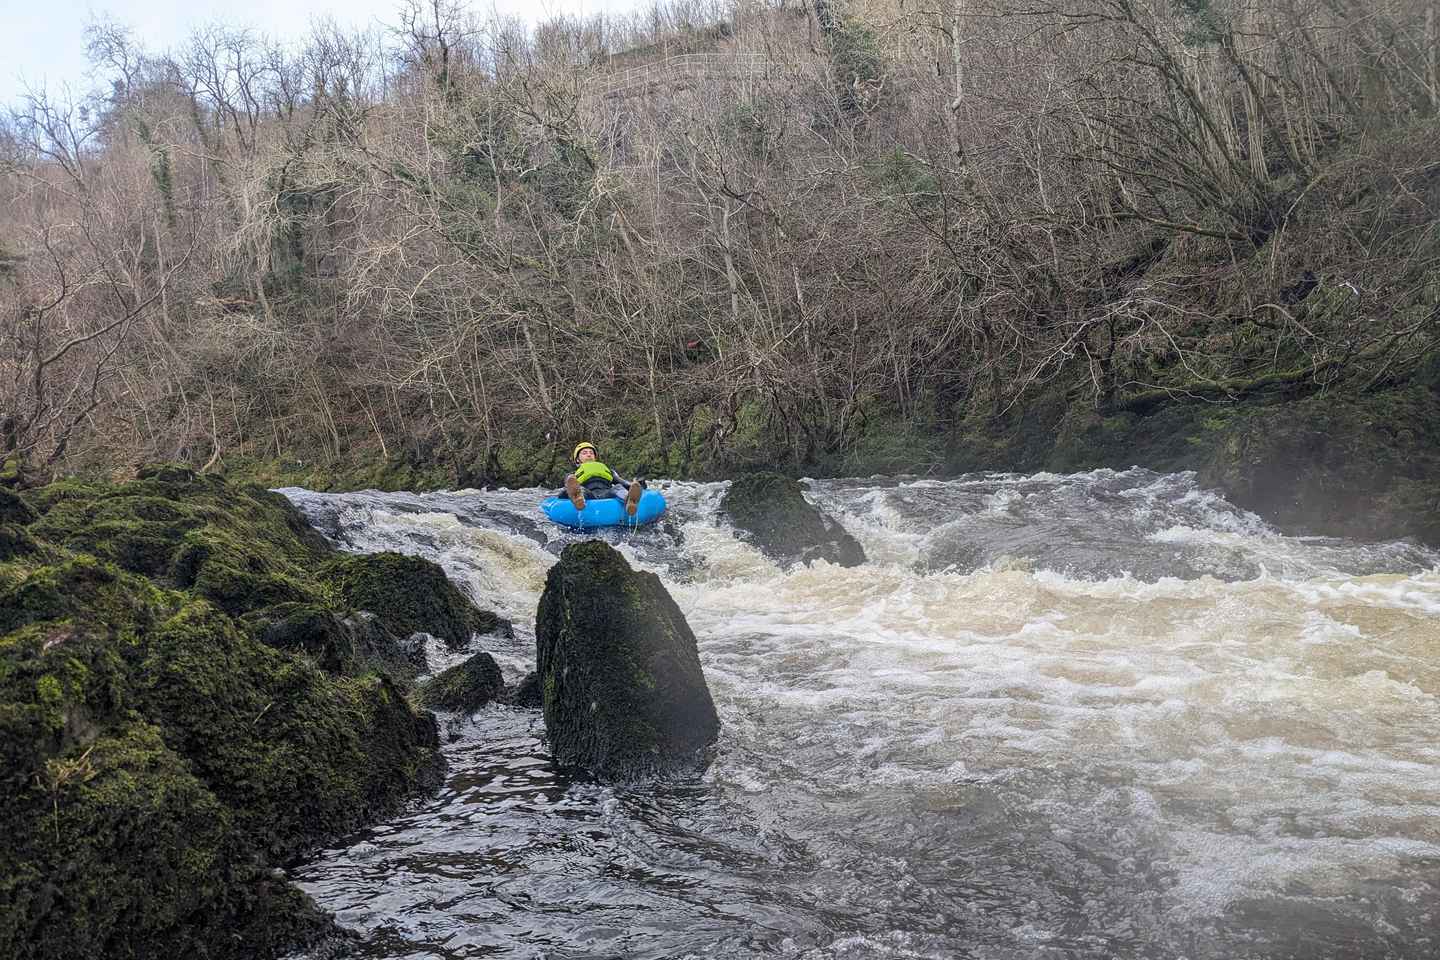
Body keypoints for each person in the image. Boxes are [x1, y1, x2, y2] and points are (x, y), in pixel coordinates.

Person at [564, 441, 645, 516]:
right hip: (588, 494)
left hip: (606, 493)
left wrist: (637, 485)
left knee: (618, 487)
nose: (589, 455)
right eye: (584, 453)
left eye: (591, 453)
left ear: (595, 458)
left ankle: (629, 501)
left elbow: (623, 482)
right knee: (580, 489)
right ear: (577, 460)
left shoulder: (608, 471)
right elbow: (568, 488)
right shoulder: (573, 475)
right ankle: (578, 500)